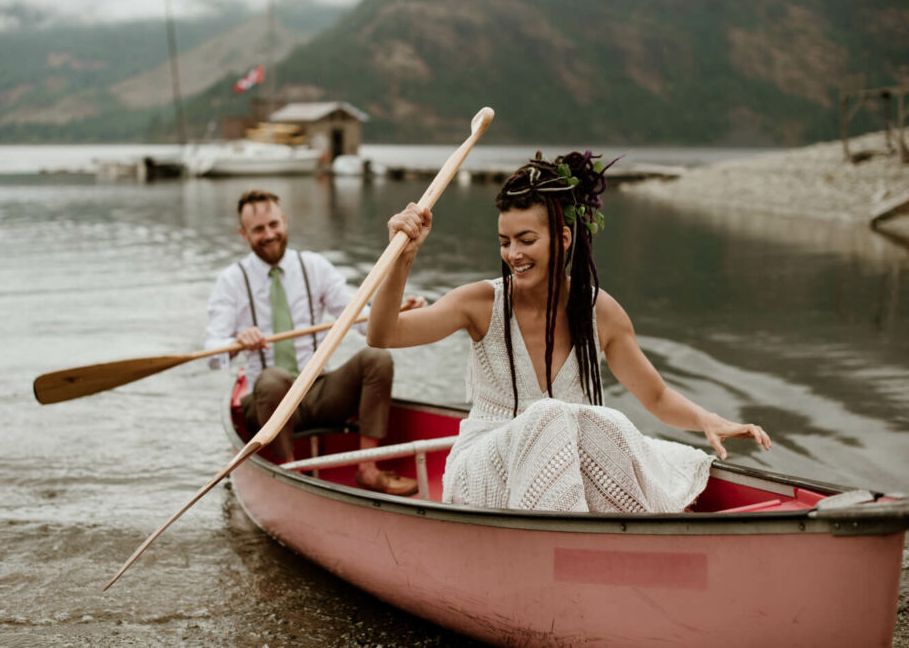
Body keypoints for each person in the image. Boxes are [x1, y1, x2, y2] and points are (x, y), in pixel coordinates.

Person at [367, 151, 772, 512]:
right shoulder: (479, 303)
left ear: (562, 239)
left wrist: (707, 421)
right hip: (486, 467)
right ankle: (569, 543)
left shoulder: (600, 311)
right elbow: (383, 334)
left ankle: (625, 534)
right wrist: (403, 259)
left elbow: (656, 395)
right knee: (551, 414)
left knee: (608, 423)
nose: (513, 254)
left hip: (565, 470)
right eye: (504, 241)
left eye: (526, 240)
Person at [206, 189, 424, 496]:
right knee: (273, 379)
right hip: (267, 402)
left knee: (376, 359)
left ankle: (367, 469)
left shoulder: (314, 267)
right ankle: (288, 473)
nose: (269, 235)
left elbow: (361, 320)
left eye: (273, 225)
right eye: (258, 230)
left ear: (283, 221)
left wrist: (397, 311)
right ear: (244, 234)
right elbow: (213, 353)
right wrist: (236, 343)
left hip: (317, 391)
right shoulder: (231, 280)